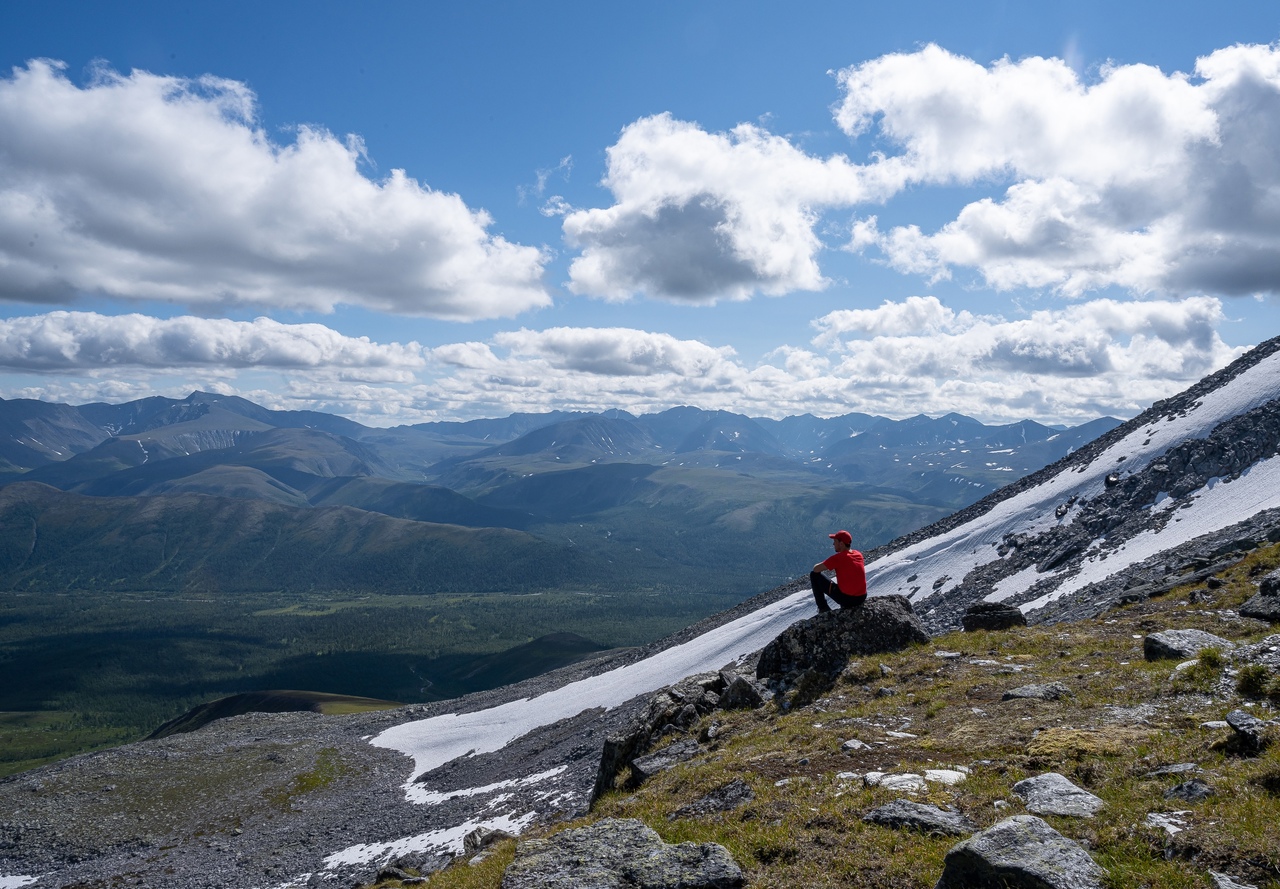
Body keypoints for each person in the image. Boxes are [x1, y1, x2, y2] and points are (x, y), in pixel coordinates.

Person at [810, 529, 866, 612]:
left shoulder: (838, 558)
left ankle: (823, 609)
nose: (833, 544)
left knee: (814, 575)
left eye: (835, 542)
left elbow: (816, 569)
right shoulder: (858, 554)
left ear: (841, 544)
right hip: (862, 597)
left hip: (848, 600)